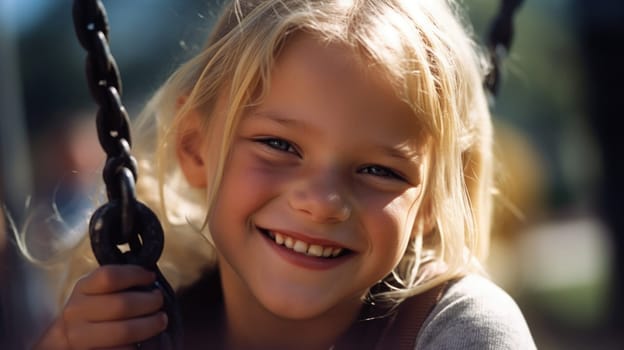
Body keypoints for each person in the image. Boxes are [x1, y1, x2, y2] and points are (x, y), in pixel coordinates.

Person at [33, 0, 537, 348]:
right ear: (195, 149)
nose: (322, 201)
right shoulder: (141, 329)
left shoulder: (458, 329)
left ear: (431, 204)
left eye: (379, 170)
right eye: (279, 145)